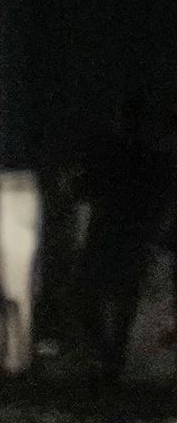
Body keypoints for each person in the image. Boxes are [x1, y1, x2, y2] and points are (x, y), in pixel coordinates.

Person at [67, 89, 170, 382]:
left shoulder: (113, 154)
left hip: (109, 232)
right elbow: (160, 198)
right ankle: (113, 356)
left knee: (89, 293)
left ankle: (108, 355)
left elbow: (82, 189)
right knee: (122, 298)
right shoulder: (150, 158)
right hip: (132, 235)